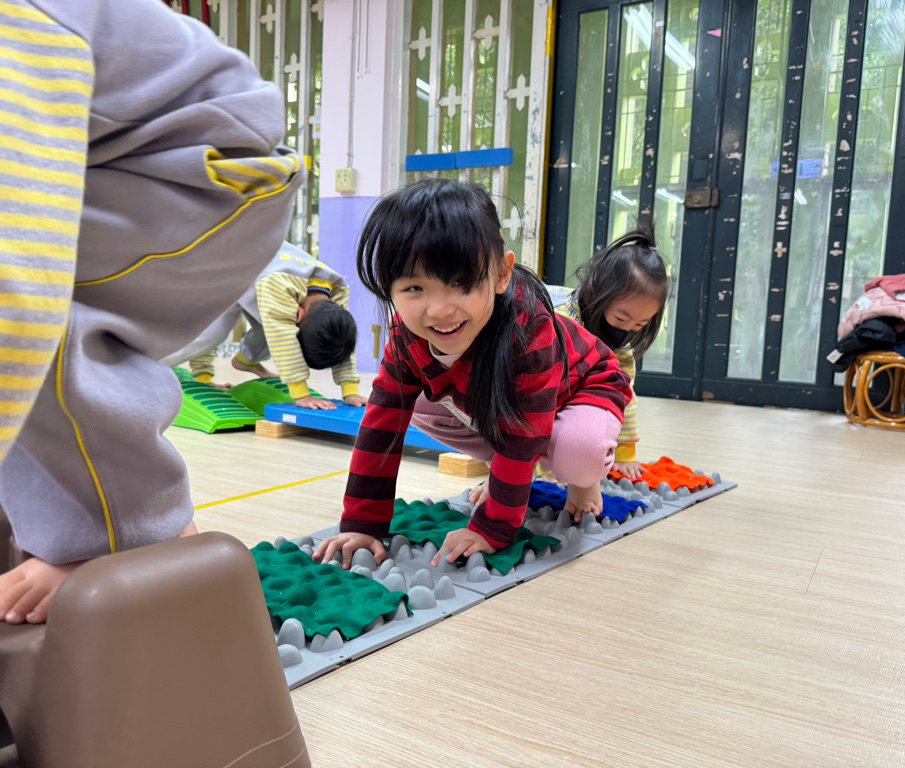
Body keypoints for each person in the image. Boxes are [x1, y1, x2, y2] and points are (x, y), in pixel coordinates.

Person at [0, 0, 303, 623]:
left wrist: (298, 387)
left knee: (41, 311)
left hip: (197, 166)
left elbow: (20, 275)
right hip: (150, 160)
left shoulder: (19, 24)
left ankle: (122, 533)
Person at [312, 179, 632, 569]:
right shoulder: (405, 334)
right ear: (390, 289)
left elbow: (523, 435)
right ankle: (506, 473)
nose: (440, 310)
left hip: (584, 387)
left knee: (576, 455)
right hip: (514, 408)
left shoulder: (529, 330)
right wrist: (362, 523)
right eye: (414, 287)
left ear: (500, 274)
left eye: (461, 284)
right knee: (414, 407)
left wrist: (492, 527)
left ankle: (584, 479)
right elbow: (382, 424)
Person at [165, 241, 365, 409]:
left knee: (270, 325)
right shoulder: (279, 285)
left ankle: (246, 361)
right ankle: (156, 363)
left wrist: (350, 390)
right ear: (300, 314)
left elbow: (341, 339)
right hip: (219, 267)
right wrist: (301, 394)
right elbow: (283, 340)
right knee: (212, 333)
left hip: (252, 271)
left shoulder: (335, 290)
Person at [549, 222, 668, 478]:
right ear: (594, 296)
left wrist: (625, 454)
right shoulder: (560, 321)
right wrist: (541, 464)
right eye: (621, 318)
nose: (627, 330)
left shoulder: (619, 346)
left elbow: (623, 395)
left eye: (640, 324)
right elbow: (540, 391)